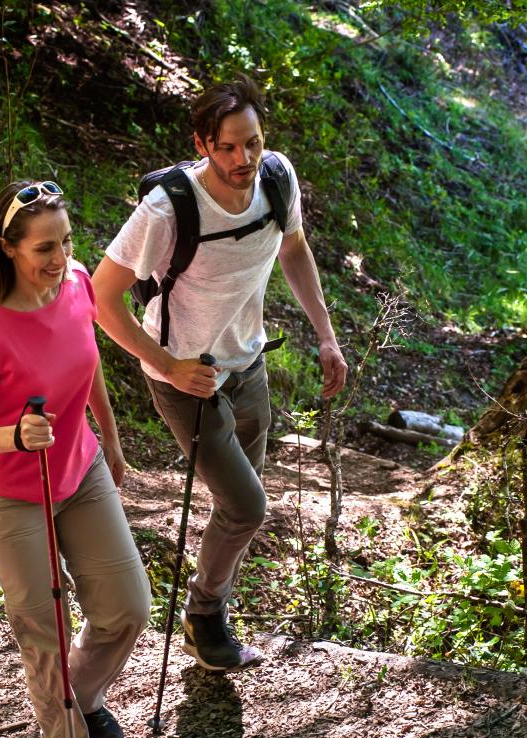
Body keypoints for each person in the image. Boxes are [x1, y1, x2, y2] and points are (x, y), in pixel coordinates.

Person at [92, 76, 348, 672]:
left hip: (248, 366)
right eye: (229, 147)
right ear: (204, 143)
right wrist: (166, 366)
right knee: (248, 508)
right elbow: (103, 298)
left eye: (252, 143)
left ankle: (208, 613)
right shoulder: (167, 208)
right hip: (186, 380)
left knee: (238, 505)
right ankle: (205, 614)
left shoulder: (277, 183)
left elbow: (294, 249)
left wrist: (328, 336)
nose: (244, 159)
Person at [0, 179, 150, 738]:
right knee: (46, 634)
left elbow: (87, 361)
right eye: (44, 249)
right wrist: (14, 434)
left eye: (65, 242)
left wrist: (108, 435)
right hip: (5, 495)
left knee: (128, 606)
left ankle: (80, 699)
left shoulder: (79, 283)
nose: (60, 259)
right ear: (8, 247)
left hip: (78, 470)